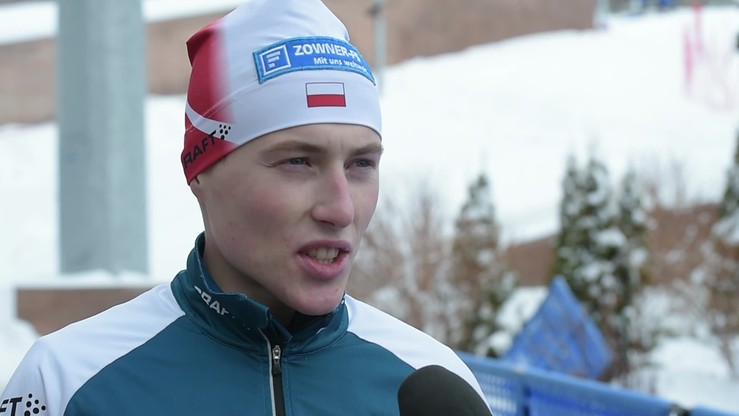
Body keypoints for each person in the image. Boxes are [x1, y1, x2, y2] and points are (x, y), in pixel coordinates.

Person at [1, 1, 490, 414]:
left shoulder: (432, 383)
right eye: (298, 161)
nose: (341, 209)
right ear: (200, 171)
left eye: (361, 164)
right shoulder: (65, 383)